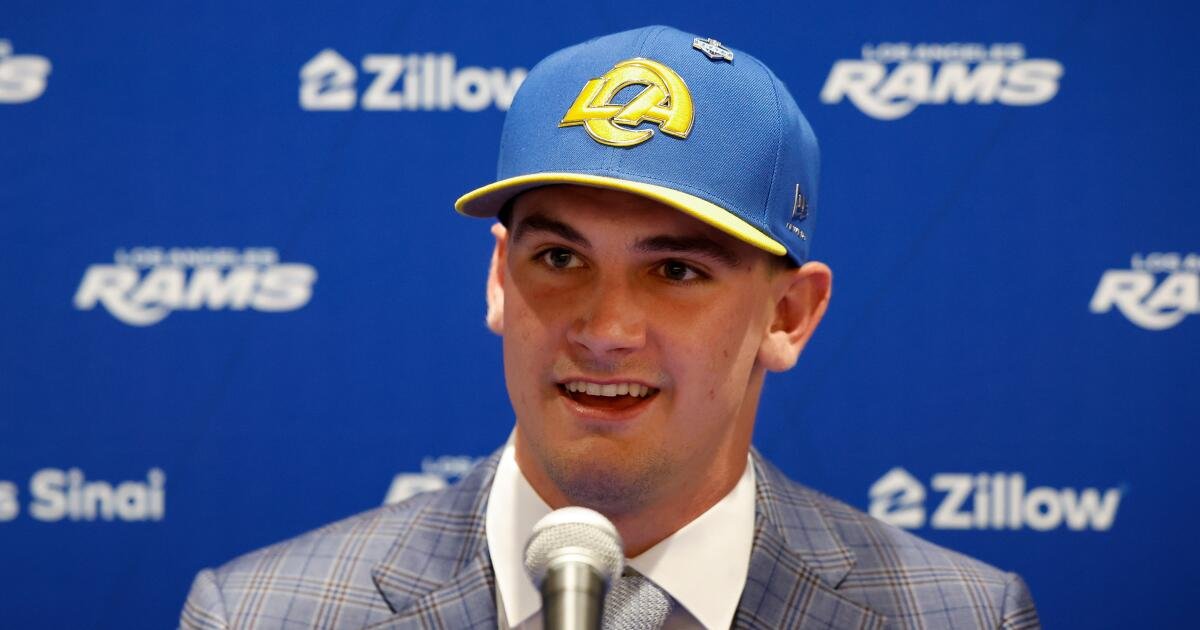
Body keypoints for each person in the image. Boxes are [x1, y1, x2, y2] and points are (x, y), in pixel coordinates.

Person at [181, 25, 1039, 629]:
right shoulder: (260, 615)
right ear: (499, 279)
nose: (606, 329)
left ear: (788, 316)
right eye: (560, 258)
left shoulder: (961, 617)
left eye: (676, 272)